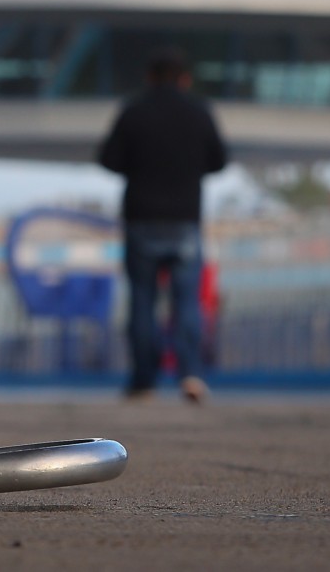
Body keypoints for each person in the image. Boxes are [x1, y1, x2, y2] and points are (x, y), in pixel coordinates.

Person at [97, 48, 227, 404]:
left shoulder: (133, 111)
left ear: (150, 77)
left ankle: (144, 380)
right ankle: (191, 374)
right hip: (185, 218)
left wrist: (140, 167)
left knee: (142, 302)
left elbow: (108, 158)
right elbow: (219, 160)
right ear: (185, 79)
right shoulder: (199, 112)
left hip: (141, 217)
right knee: (187, 302)